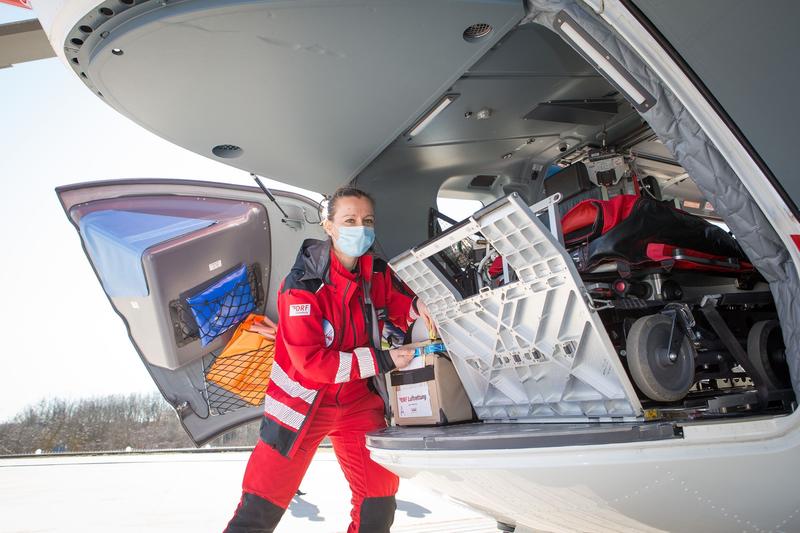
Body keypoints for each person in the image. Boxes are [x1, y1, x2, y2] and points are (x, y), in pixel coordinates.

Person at [225, 186, 434, 533]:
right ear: (329, 226)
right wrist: (383, 360)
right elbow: (312, 364)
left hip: (356, 402)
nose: (360, 228)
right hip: (302, 406)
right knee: (258, 511)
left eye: (367, 221)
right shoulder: (301, 286)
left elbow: (393, 304)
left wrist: (415, 306)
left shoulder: (376, 273)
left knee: (377, 506)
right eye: (349, 220)